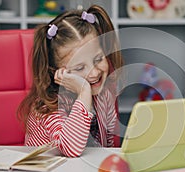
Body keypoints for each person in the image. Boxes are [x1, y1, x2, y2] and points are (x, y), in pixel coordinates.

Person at [17, 5, 123, 157]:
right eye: (80, 68)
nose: (94, 73)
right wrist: (84, 92)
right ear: (58, 73)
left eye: (99, 59)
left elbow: (107, 146)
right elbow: (72, 149)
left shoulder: (104, 95)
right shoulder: (48, 107)